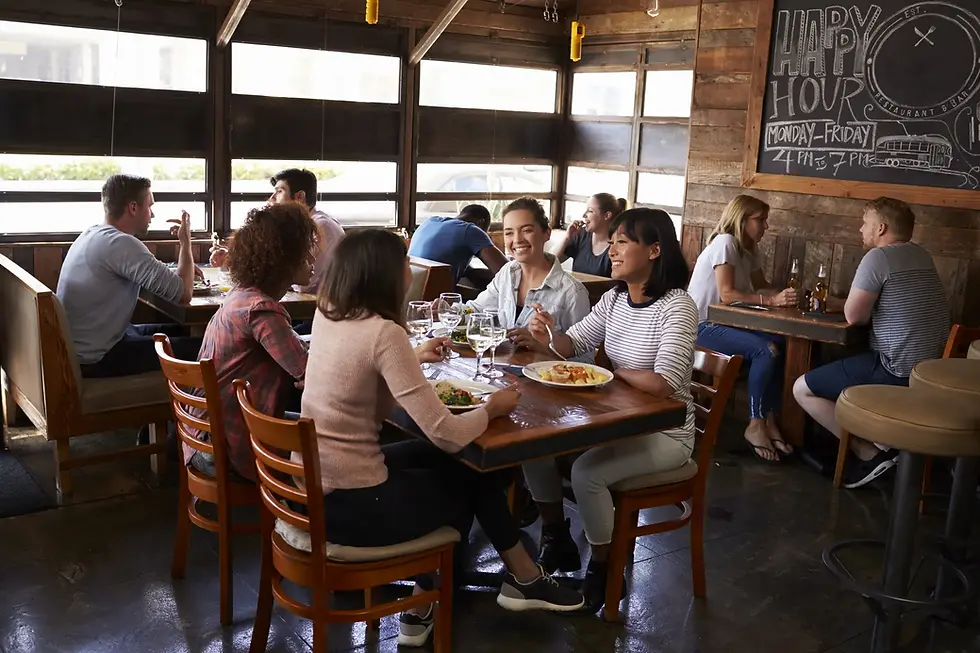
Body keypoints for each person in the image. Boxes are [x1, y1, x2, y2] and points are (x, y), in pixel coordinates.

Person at [301, 229, 584, 646]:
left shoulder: (329, 313)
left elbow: (357, 372)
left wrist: (409, 359)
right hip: (354, 507)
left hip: (314, 488)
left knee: (467, 469)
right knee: (469, 473)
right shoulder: (384, 333)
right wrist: (493, 408)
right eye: (403, 263)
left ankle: (498, 584)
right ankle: (452, 595)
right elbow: (448, 434)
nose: (409, 271)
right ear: (383, 273)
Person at [522, 208, 698, 614]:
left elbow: (664, 383)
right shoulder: (616, 299)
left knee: (588, 473)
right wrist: (547, 332)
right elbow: (571, 344)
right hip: (617, 423)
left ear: (654, 251)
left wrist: (610, 371)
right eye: (613, 241)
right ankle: (556, 538)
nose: (612, 250)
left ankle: (603, 569)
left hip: (665, 435)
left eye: (622, 241)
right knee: (533, 446)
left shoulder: (678, 305)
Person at [793, 197, 950, 489]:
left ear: (881, 228)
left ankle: (871, 454)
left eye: (864, 223)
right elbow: (872, 303)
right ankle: (887, 446)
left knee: (802, 388)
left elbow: (854, 316)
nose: (860, 229)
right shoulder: (920, 255)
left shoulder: (879, 258)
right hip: (929, 375)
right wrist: (833, 303)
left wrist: (839, 305)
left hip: (896, 372)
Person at [183, 203, 319, 481]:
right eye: (305, 251)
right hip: (224, 446)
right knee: (330, 446)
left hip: (201, 435)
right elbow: (309, 373)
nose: (313, 258)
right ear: (284, 258)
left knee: (316, 433)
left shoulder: (241, 294)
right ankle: (296, 519)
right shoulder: (261, 310)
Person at [687, 195, 799, 462]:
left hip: (726, 324)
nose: (766, 226)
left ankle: (769, 419)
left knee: (781, 344)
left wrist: (790, 295)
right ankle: (755, 424)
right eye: (760, 220)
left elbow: (761, 287)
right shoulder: (725, 242)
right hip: (700, 326)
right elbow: (727, 294)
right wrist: (772, 300)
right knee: (766, 351)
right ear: (742, 219)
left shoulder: (749, 249)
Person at [57, 174, 202, 378]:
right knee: (204, 346)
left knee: (184, 330)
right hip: (99, 356)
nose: (152, 215)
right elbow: (183, 293)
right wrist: (186, 242)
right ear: (133, 208)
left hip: (91, 344)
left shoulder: (93, 234)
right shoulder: (121, 244)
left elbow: (157, 277)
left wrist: (182, 271)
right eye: (149, 206)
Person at [467, 197, 590, 353]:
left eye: (527, 230)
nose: (517, 240)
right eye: (509, 233)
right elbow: (476, 310)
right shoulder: (508, 272)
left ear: (546, 233)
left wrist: (543, 346)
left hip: (539, 376)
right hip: (501, 369)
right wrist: (447, 311)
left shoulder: (572, 292)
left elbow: (586, 360)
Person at [211, 168, 344, 295]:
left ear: (299, 197)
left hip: (321, 308)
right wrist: (236, 258)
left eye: (279, 191)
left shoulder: (321, 226)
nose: (272, 198)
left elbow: (303, 285)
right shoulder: (296, 225)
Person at [407, 204, 508, 286]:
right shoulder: (471, 230)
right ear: (480, 223)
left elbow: (467, 271)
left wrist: (470, 271)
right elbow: (507, 272)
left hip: (408, 292)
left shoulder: (429, 221)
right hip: (435, 299)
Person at [551, 193, 626, 277]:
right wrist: (566, 237)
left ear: (607, 215)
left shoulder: (620, 244)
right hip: (577, 290)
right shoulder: (580, 235)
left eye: (590, 211)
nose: (584, 215)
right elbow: (549, 262)